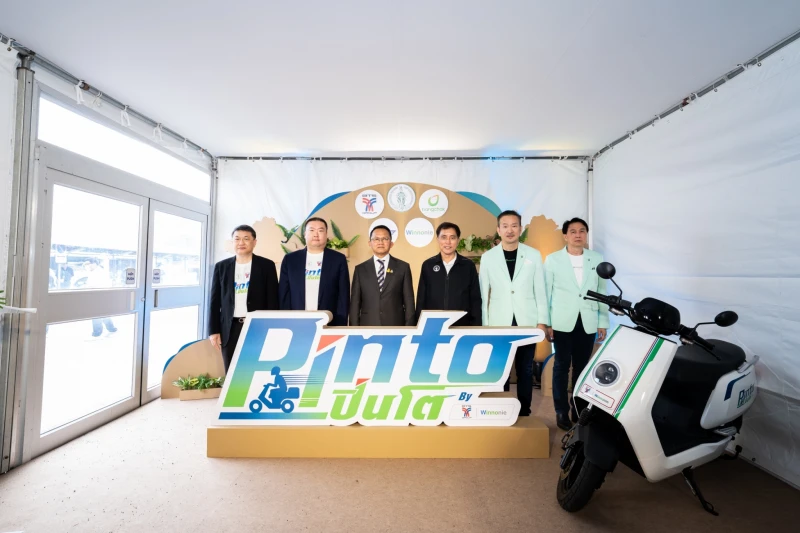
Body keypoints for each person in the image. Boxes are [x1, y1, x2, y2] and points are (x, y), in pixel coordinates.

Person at [479, 210, 549, 417]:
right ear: (498, 230)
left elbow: (540, 291)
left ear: (520, 228)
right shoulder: (488, 257)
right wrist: (485, 326)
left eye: (514, 225)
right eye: (505, 226)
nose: (510, 230)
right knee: (501, 368)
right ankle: (502, 409)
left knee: (525, 368)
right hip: (499, 323)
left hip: (527, 321)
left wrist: (542, 321)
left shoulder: (533, 255)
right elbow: (483, 295)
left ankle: (524, 410)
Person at [544, 217, 609, 430]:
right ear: (565, 236)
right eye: (573, 231)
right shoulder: (553, 260)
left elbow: (601, 292)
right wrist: (547, 322)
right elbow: (546, 293)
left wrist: (602, 321)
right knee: (561, 366)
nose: (578, 235)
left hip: (588, 320)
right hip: (561, 322)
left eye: (582, 231)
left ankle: (577, 408)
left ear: (586, 235)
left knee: (582, 367)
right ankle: (561, 410)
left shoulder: (596, 258)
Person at [208, 225, 279, 372]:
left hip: (257, 326)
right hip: (230, 328)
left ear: (254, 242)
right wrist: (213, 330)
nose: (241, 242)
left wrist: (272, 327)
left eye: (246, 239)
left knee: (256, 370)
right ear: (232, 242)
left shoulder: (266, 266)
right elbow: (214, 302)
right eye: (237, 239)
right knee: (232, 370)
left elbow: (273, 300)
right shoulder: (221, 267)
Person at [279, 217, 350, 326]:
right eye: (311, 230)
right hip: (296, 322)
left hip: (329, 322)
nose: (316, 234)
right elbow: (284, 293)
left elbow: (343, 294)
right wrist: (286, 321)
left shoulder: (338, 259)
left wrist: (340, 324)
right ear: (305, 234)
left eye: (320, 230)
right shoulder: (290, 260)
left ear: (326, 234)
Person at [416, 222, 481, 327]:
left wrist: (476, 326)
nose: (448, 242)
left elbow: (475, 299)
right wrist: (419, 325)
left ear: (458, 240)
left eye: (452, 238)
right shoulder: (428, 265)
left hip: (462, 326)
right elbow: (421, 299)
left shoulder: (468, 266)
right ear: (437, 239)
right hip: (433, 326)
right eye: (444, 237)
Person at [350, 225, 415, 326]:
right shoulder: (360, 269)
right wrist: (354, 329)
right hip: (368, 325)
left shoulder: (403, 267)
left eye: (385, 239)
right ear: (369, 243)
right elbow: (355, 303)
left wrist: (409, 328)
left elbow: (409, 301)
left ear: (391, 243)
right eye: (376, 239)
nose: (380, 242)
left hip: (395, 325)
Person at [83, 259, 118, 338]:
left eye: (89, 264)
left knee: (96, 313)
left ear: (94, 264)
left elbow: (99, 284)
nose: (88, 266)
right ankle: (111, 328)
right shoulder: (93, 271)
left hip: (99, 295)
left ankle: (97, 331)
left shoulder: (99, 272)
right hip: (97, 295)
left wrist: (89, 287)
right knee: (103, 313)